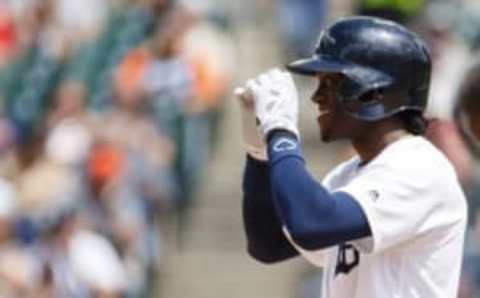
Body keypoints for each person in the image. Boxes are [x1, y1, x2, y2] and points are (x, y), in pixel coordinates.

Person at [236, 16, 467, 298]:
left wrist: (282, 132)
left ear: (374, 93)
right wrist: (260, 155)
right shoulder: (349, 175)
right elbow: (268, 244)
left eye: (330, 84)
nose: (317, 97)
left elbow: (312, 224)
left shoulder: (420, 168)